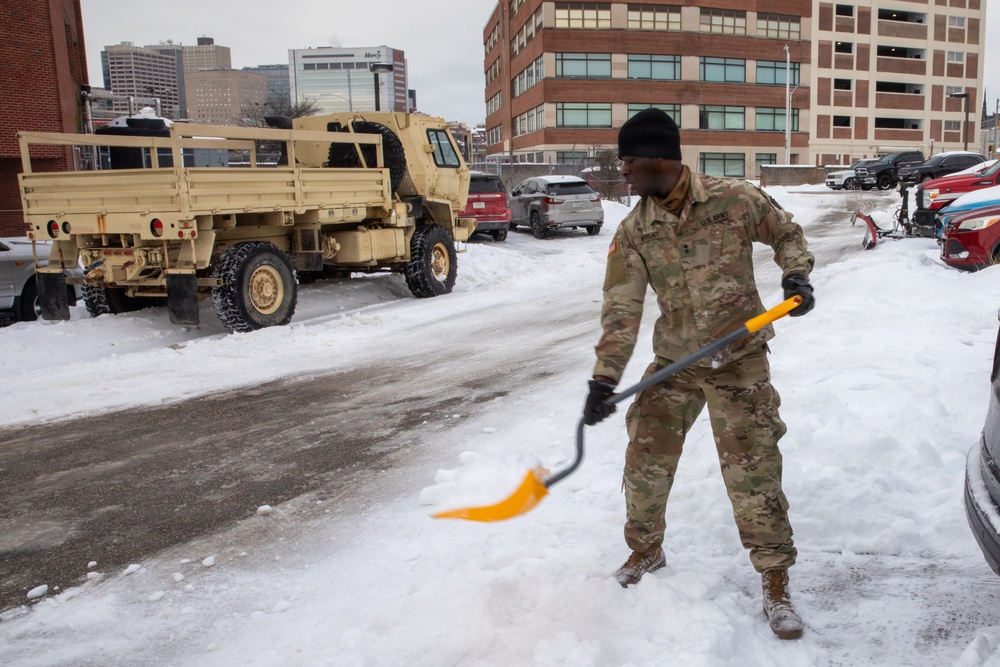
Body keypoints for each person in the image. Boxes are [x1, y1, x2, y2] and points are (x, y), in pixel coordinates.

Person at [583, 108, 815, 640]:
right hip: (676, 362)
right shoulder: (635, 230)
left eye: (629, 162)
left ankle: (775, 581)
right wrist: (603, 380)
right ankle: (646, 551)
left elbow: (787, 234)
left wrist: (796, 274)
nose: (624, 173)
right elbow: (621, 310)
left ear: (658, 159)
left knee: (753, 472)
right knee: (645, 456)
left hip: (738, 357)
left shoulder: (734, 199)